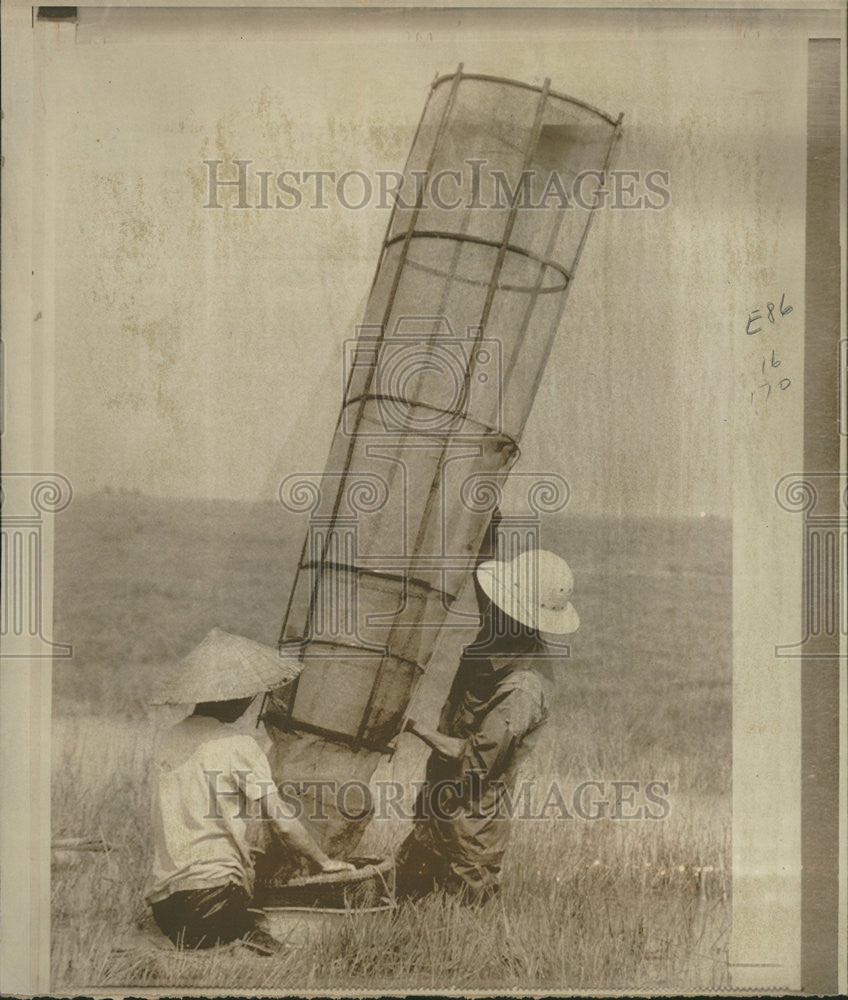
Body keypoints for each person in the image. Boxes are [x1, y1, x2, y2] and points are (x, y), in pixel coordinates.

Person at [146, 627, 353, 953]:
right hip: (214, 898)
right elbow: (283, 823)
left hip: (166, 908)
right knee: (284, 957)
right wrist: (323, 861)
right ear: (239, 696)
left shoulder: (167, 739)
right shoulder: (238, 744)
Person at [394, 548, 580, 905]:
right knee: (399, 904)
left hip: (470, 835)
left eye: (502, 602)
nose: (491, 607)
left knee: (464, 930)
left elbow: (473, 765)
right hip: (439, 815)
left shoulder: (521, 690)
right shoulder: (505, 631)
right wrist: (486, 525)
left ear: (518, 615)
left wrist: (411, 726)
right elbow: (486, 589)